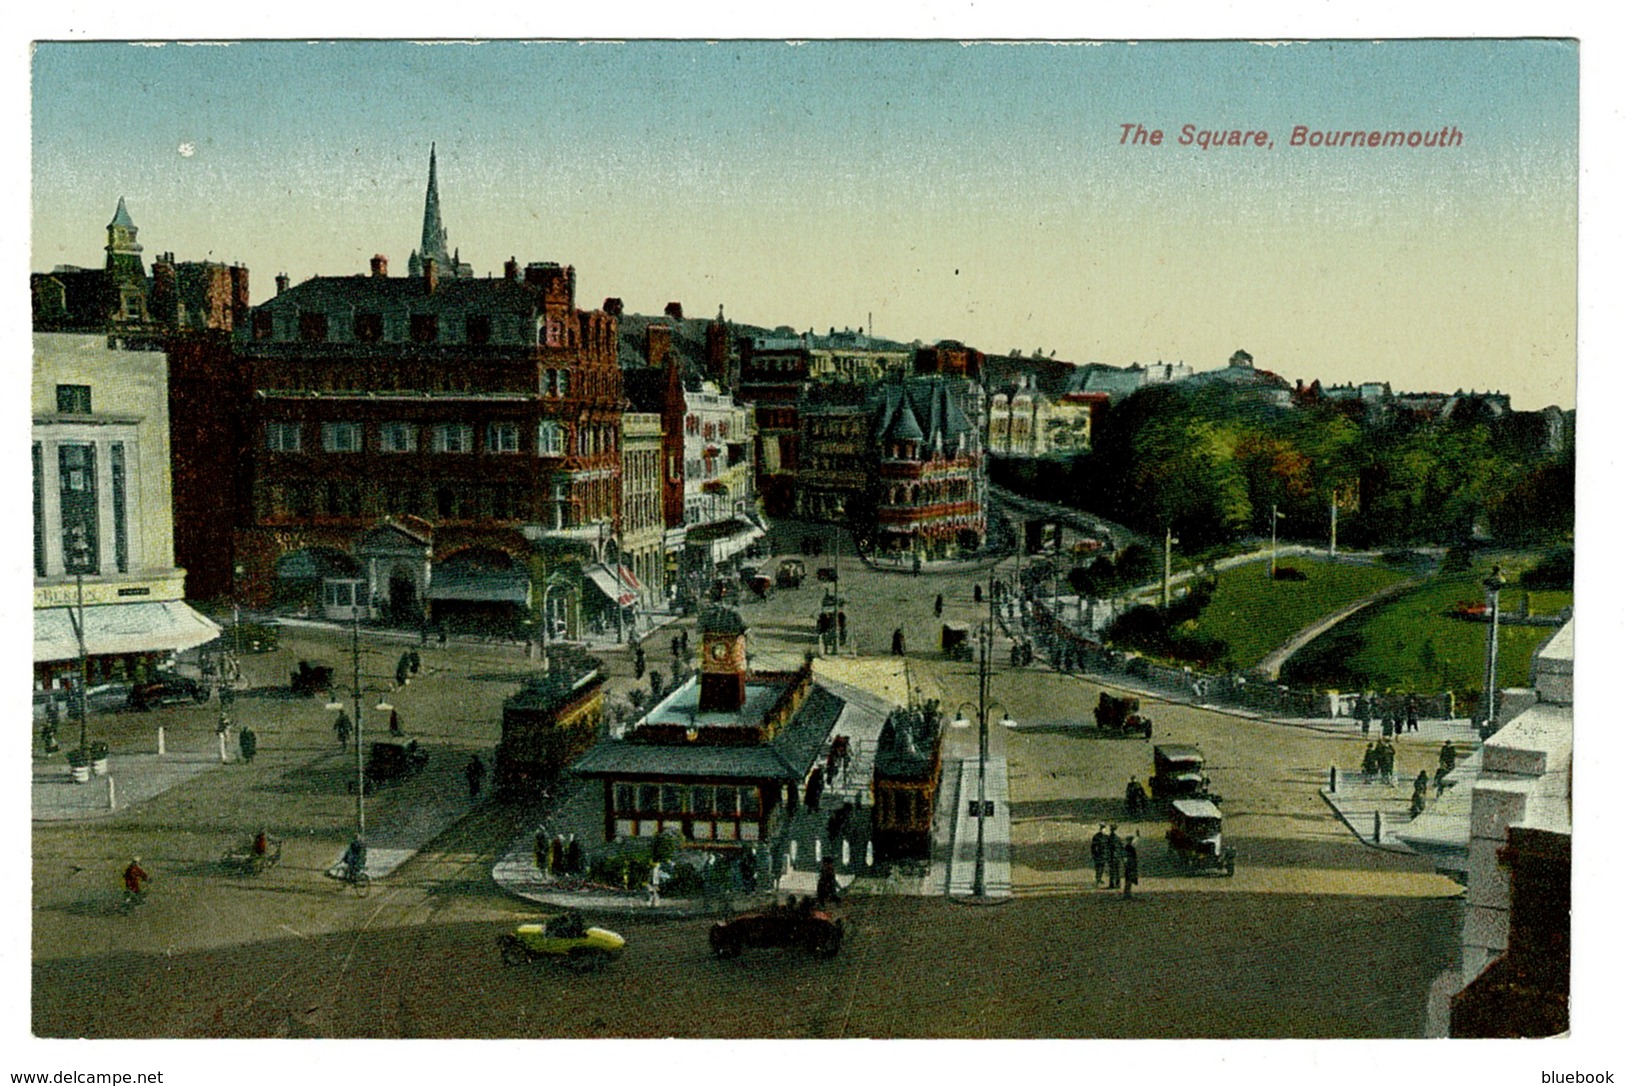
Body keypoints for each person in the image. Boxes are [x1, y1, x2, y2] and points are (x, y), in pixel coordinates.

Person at [1106, 825, 1122, 889]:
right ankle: (1117, 884)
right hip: (1116, 856)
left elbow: (1107, 848)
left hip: (1112, 856)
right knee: (1116, 871)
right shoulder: (1118, 838)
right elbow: (1121, 847)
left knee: (1112, 871)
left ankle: (1112, 884)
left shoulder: (1109, 838)